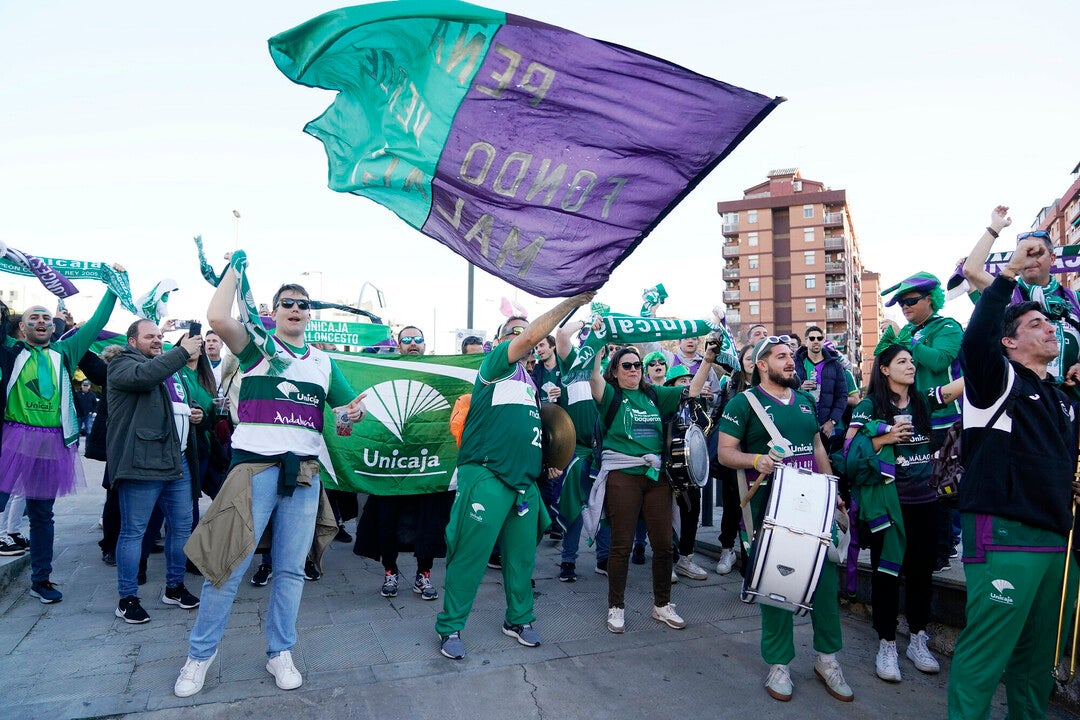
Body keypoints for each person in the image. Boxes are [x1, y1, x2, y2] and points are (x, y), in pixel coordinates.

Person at [175, 262, 368, 698]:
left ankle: (280, 651)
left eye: (303, 304)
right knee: (225, 567)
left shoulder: (323, 362)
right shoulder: (258, 349)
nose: (296, 309)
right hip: (253, 471)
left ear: (310, 313)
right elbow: (219, 318)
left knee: (290, 570)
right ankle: (199, 657)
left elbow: (347, 410)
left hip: (303, 475)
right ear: (274, 311)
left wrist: (352, 416)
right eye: (288, 304)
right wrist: (232, 271)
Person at [947, 238, 1078, 720]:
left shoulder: (1064, 400)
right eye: (1036, 324)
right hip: (1004, 534)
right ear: (1009, 342)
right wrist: (1006, 278)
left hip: (1053, 542)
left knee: (1034, 664)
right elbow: (975, 339)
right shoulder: (994, 380)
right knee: (985, 658)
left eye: (1051, 324)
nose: (1050, 329)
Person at [435, 292, 594, 660]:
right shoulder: (494, 366)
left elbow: (536, 432)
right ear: (500, 341)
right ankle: (451, 626)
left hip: (524, 483)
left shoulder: (531, 382)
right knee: (470, 556)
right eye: (515, 332)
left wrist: (550, 460)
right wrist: (569, 305)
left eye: (526, 331)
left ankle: (518, 619)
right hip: (487, 476)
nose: (525, 336)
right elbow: (528, 337)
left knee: (522, 558)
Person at [717, 335, 852, 703]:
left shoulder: (806, 402)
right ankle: (779, 663)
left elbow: (817, 448)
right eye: (781, 357)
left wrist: (832, 491)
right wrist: (756, 460)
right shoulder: (743, 404)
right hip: (770, 507)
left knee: (824, 582)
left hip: (811, 504)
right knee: (777, 584)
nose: (791, 362)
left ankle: (827, 659)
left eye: (790, 356)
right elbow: (726, 453)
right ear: (762, 365)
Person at [843, 344, 963, 682]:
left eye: (912, 361)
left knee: (921, 573)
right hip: (888, 505)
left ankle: (918, 639)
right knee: (886, 574)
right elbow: (851, 453)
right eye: (902, 361)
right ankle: (886, 643)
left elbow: (962, 384)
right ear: (884, 369)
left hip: (926, 502)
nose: (911, 366)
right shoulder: (870, 406)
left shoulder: (923, 401)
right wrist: (884, 437)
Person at [0, 287, 119, 603]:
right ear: (22, 327)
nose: (40, 321)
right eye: (32, 317)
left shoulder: (65, 352)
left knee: (41, 515)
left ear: (54, 328)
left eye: (45, 318)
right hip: (12, 439)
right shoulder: (9, 349)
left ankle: (41, 581)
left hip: (51, 442)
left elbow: (95, 323)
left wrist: (111, 288)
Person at [587, 342, 714, 635]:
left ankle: (662, 606)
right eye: (627, 366)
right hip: (623, 475)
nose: (634, 370)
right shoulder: (610, 395)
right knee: (621, 545)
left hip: (656, 476)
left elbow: (691, 391)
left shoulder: (654, 394)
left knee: (664, 544)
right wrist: (597, 348)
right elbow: (593, 376)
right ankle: (616, 607)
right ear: (615, 372)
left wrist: (706, 360)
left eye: (637, 365)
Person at [108, 321, 204, 623]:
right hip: (142, 464)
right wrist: (180, 352)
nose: (157, 340)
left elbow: (175, 406)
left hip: (177, 461)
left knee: (181, 527)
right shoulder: (123, 363)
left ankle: (174, 587)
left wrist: (194, 412)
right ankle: (127, 598)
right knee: (134, 531)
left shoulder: (170, 370)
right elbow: (144, 377)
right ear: (132, 341)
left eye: (160, 337)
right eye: (150, 336)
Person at [356, 321, 448, 602]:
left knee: (427, 522)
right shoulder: (384, 372)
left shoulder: (439, 376)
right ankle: (390, 571)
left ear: (425, 344)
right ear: (398, 345)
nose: (412, 343)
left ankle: (424, 574)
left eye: (417, 339)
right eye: (406, 339)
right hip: (390, 465)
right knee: (386, 521)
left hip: (426, 466)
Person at [880, 271, 963, 572]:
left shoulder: (948, 326)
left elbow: (940, 360)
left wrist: (908, 343)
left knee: (942, 487)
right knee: (918, 487)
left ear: (931, 299)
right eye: (901, 303)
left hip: (943, 419)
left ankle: (943, 549)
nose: (905, 307)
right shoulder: (910, 333)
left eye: (911, 300)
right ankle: (925, 548)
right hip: (913, 419)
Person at [963, 205, 1080, 393]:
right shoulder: (1008, 292)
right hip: (1024, 397)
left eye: (1037, 253)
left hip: (1071, 401)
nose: (1030, 259)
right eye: (1025, 253)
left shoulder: (1073, 298)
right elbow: (971, 270)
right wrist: (996, 227)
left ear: (1052, 258)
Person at [553, 318, 610, 582]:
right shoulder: (573, 363)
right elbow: (562, 335)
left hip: (604, 450)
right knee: (573, 506)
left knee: (606, 507)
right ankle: (568, 560)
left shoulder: (609, 372)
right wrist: (586, 321)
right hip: (575, 450)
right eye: (592, 340)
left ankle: (604, 558)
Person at [664, 365, 709, 581]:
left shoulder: (697, 406)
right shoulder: (664, 405)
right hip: (669, 469)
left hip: (692, 470)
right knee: (667, 517)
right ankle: (668, 561)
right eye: (682, 381)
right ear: (672, 386)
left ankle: (686, 559)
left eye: (689, 380)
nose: (687, 384)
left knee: (692, 514)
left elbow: (703, 430)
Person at [713, 344, 754, 575]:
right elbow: (718, 414)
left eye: (754, 357)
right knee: (731, 506)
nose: (750, 361)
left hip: (758, 455)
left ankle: (750, 554)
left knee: (752, 508)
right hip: (733, 455)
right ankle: (727, 549)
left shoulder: (767, 384)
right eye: (747, 357)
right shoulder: (730, 384)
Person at [793, 326, 847, 447]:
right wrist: (800, 388)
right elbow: (784, 391)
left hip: (826, 426)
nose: (816, 341)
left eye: (819, 338)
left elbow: (842, 396)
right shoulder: (795, 363)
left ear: (823, 341)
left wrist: (831, 422)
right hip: (801, 422)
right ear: (806, 342)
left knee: (826, 462)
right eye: (812, 338)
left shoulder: (835, 365)